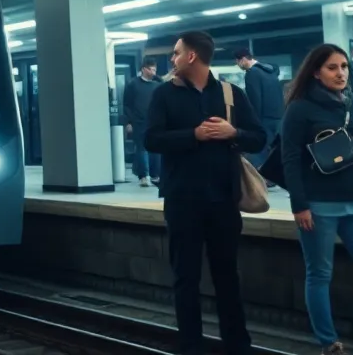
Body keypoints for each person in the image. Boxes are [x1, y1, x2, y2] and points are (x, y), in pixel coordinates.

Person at [145, 30, 266, 355]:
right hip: (182, 200)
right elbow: (152, 139)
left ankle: (238, 344)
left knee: (227, 275)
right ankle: (190, 346)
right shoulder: (163, 95)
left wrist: (233, 132)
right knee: (186, 277)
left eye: (175, 52)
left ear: (191, 56)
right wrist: (193, 135)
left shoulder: (231, 94)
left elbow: (259, 137)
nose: (172, 58)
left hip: (224, 200)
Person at [281, 44, 353, 355]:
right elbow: (290, 158)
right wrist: (299, 205)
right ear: (316, 72)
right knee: (319, 273)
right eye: (332, 67)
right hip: (318, 206)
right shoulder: (300, 108)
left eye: (343, 66)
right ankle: (328, 342)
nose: (340, 73)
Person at [235, 48, 286, 169]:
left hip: (263, 119)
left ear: (242, 59)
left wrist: (252, 122)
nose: (238, 65)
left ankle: (258, 180)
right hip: (278, 117)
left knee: (259, 150)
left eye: (237, 62)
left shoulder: (252, 73)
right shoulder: (270, 71)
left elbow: (255, 100)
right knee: (274, 150)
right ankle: (272, 177)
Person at [123, 58, 162, 187]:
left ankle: (155, 174)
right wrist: (128, 121)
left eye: (155, 69)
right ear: (144, 69)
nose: (153, 72)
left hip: (154, 121)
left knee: (156, 148)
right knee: (142, 148)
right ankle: (143, 176)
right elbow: (127, 104)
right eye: (151, 69)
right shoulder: (133, 84)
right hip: (138, 121)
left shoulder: (157, 84)